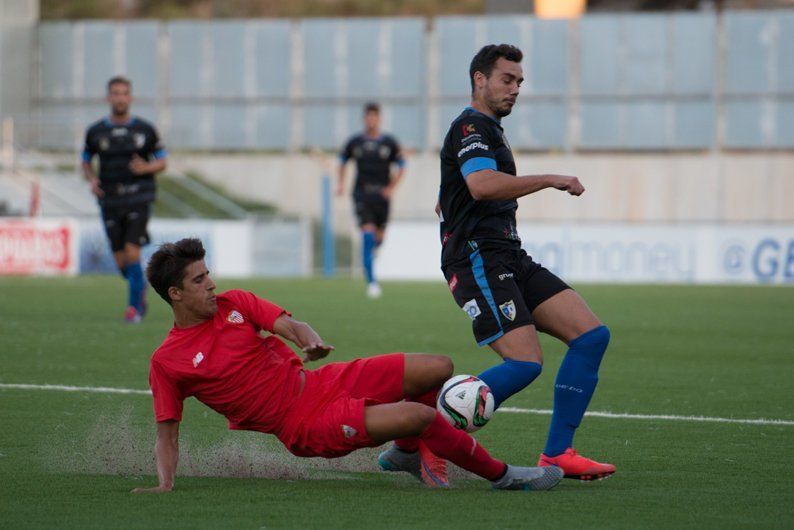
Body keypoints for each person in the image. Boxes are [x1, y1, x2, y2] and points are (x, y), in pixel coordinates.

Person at [132, 238, 563, 493]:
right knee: (420, 415)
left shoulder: (235, 304)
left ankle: (405, 455)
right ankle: (503, 476)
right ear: (175, 294)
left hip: (321, 381)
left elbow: (290, 325)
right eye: (199, 280)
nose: (211, 284)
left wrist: (311, 340)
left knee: (438, 366)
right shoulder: (168, 362)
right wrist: (165, 484)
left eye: (208, 274)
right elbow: (167, 434)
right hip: (302, 424)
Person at [434, 44, 615, 481]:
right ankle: (417, 437)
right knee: (524, 364)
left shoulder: (489, 129)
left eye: (519, 83)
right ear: (480, 79)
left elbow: (461, 191)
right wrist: (550, 178)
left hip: (509, 254)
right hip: (479, 258)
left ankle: (558, 454)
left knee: (591, 336)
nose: (515, 89)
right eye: (506, 80)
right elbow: (480, 184)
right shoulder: (471, 126)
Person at [82, 76, 167, 323]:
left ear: (130, 97)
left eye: (124, 93)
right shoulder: (96, 131)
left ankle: (134, 309)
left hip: (138, 197)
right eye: (115, 93)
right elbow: (86, 159)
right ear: (108, 97)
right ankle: (140, 287)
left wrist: (147, 167)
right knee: (121, 261)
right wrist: (91, 179)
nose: (120, 97)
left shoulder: (145, 130)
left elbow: (162, 161)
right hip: (109, 200)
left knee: (132, 252)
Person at [337, 102, 406, 299]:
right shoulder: (355, 142)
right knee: (367, 236)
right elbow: (342, 162)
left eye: (374, 116)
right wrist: (341, 183)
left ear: (379, 118)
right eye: (368, 116)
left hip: (382, 198)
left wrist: (391, 188)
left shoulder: (389, 142)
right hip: (361, 195)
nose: (371, 120)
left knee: (379, 239)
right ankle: (372, 282)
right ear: (364, 119)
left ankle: (371, 254)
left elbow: (403, 165)